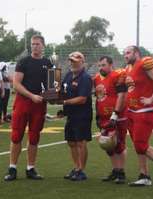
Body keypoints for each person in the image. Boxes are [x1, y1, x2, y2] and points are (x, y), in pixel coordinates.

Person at [4, 35, 51, 181]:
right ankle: (12, 168)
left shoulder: (48, 63)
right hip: (24, 102)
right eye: (33, 44)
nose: (34, 46)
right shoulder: (24, 61)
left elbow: (52, 86)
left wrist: (55, 96)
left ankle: (30, 168)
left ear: (43, 45)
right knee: (17, 135)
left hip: (39, 104)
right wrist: (32, 96)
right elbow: (16, 84)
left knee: (34, 136)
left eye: (37, 44)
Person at [123, 46, 153, 186]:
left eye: (128, 52)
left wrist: (152, 98)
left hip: (144, 111)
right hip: (131, 111)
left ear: (136, 53)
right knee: (138, 146)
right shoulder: (128, 68)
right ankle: (144, 175)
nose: (125, 55)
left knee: (141, 144)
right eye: (124, 53)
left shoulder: (145, 62)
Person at [93, 56, 128, 184]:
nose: (101, 67)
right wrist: (98, 116)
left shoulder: (117, 75)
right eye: (99, 65)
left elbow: (122, 96)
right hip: (104, 118)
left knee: (118, 145)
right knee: (107, 146)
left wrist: (116, 113)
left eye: (103, 65)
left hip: (117, 117)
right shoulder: (96, 78)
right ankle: (115, 170)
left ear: (111, 64)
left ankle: (121, 172)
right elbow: (99, 98)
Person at [62, 51, 92, 181]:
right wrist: (52, 95)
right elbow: (61, 91)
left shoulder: (85, 77)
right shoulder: (68, 75)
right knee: (71, 142)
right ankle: (76, 167)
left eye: (75, 61)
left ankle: (81, 170)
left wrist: (65, 101)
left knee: (80, 142)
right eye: (71, 61)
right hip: (70, 114)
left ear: (82, 62)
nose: (72, 63)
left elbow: (82, 99)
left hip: (82, 115)